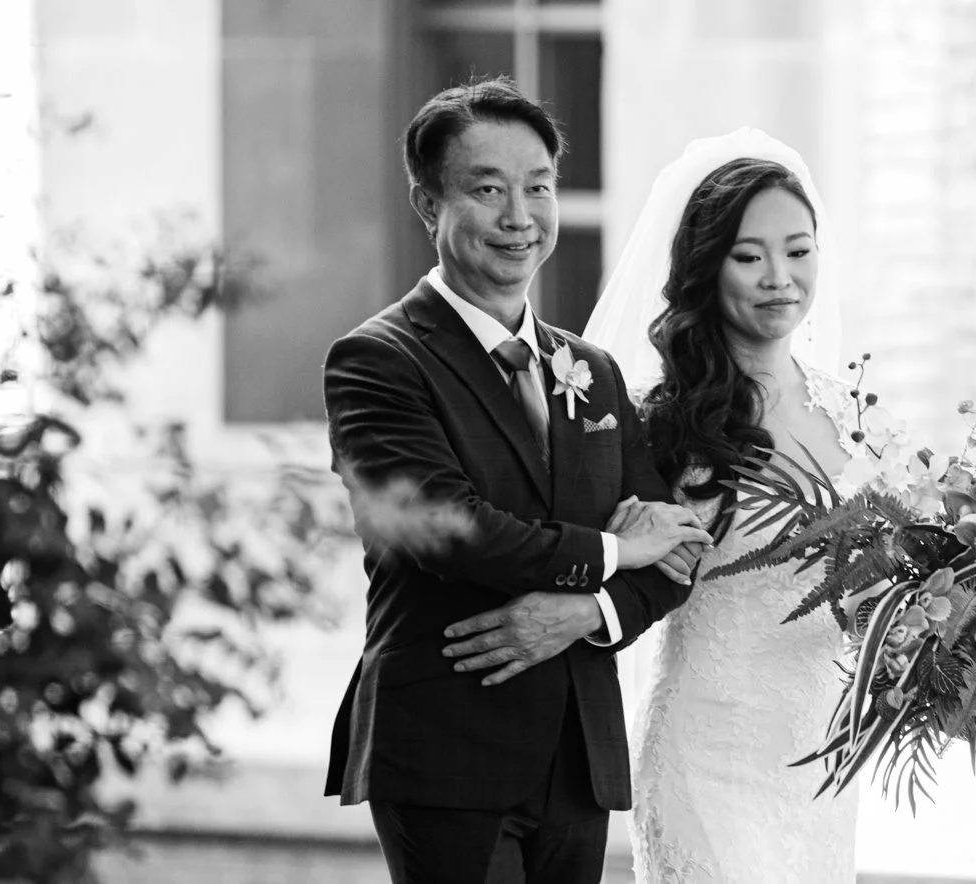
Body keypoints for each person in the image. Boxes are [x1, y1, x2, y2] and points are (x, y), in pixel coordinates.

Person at [321, 76, 710, 884]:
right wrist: (612, 551)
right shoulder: (376, 361)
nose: (519, 217)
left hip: (578, 752)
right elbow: (444, 528)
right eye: (487, 189)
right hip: (447, 747)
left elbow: (674, 551)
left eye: (538, 187)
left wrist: (589, 611)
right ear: (429, 205)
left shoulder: (593, 372)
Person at [582, 129, 875, 883]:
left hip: (822, 755)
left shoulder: (858, 414)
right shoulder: (663, 422)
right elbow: (621, 575)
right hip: (708, 754)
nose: (781, 277)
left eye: (799, 251)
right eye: (750, 256)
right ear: (707, 268)